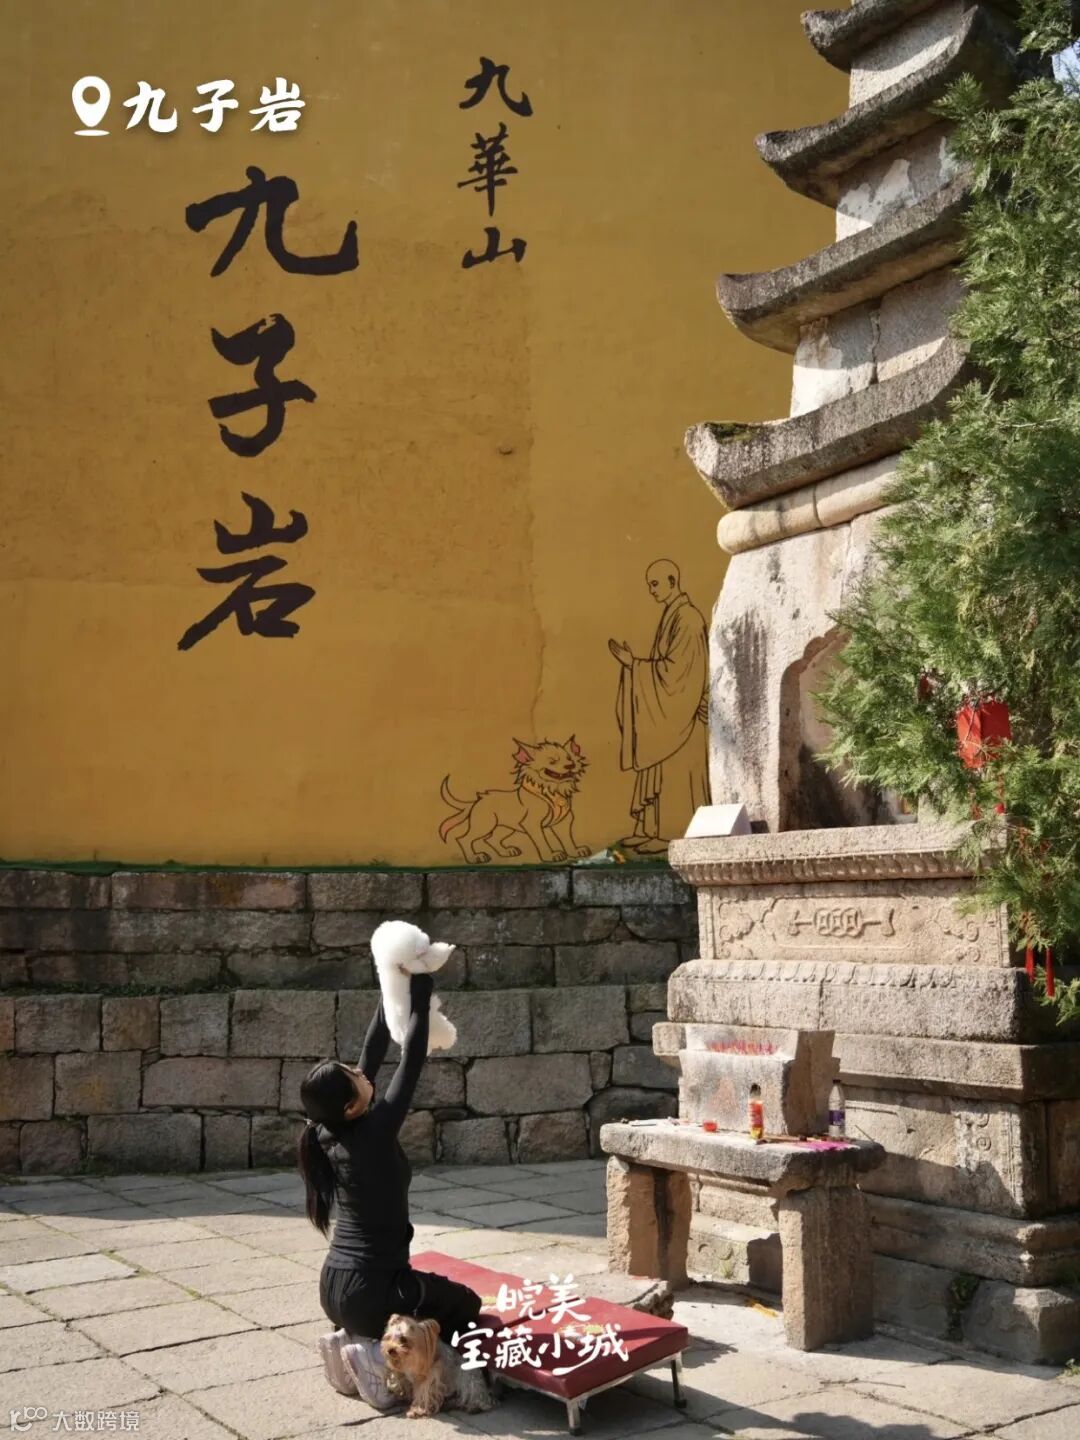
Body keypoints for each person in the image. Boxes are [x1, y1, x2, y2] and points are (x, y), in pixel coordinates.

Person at [297, 969, 484, 1377]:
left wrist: (392, 984)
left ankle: (355, 1342)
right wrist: (422, 989)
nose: (362, 1073)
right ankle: (386, 1364)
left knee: (429, 1294)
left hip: (333, 1288)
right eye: (355, 1077)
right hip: (372, 1294)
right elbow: (411, 1058)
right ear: (350, 1106)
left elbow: (373, 1048)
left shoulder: (326, 1131)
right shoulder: (375, 1132)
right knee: (467, 1304)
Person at [608, 558, 710, 853]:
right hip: (668, 709)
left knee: (676, 773)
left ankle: (670, 833)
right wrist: (638, 668)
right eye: (649, 585)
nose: (651, 590)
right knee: (657, 760)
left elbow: (679, 673)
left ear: (672, 582)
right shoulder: (672, 615)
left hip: (683, 715)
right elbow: (666, 667)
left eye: (655, 584)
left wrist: (635, 665)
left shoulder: (688, 618)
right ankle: (651, 829)